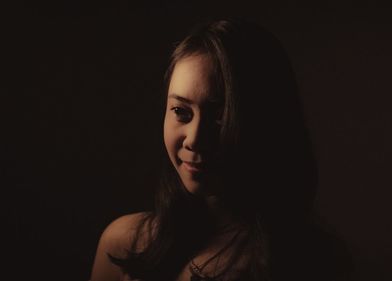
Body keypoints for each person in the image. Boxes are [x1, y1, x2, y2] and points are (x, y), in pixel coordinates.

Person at [90, 19, 351, 281]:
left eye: (221, 117)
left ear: (268, 121)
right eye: (181, 112)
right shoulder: (124, 243)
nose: (194, 139)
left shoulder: (314, 263)